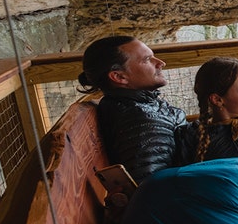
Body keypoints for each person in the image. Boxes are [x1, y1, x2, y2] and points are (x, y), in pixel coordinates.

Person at [78, 36, 186, 185]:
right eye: (147, 59)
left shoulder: (138, 104)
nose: (161, 63)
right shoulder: (141, 121)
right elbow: (152, 188)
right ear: (119, 76)